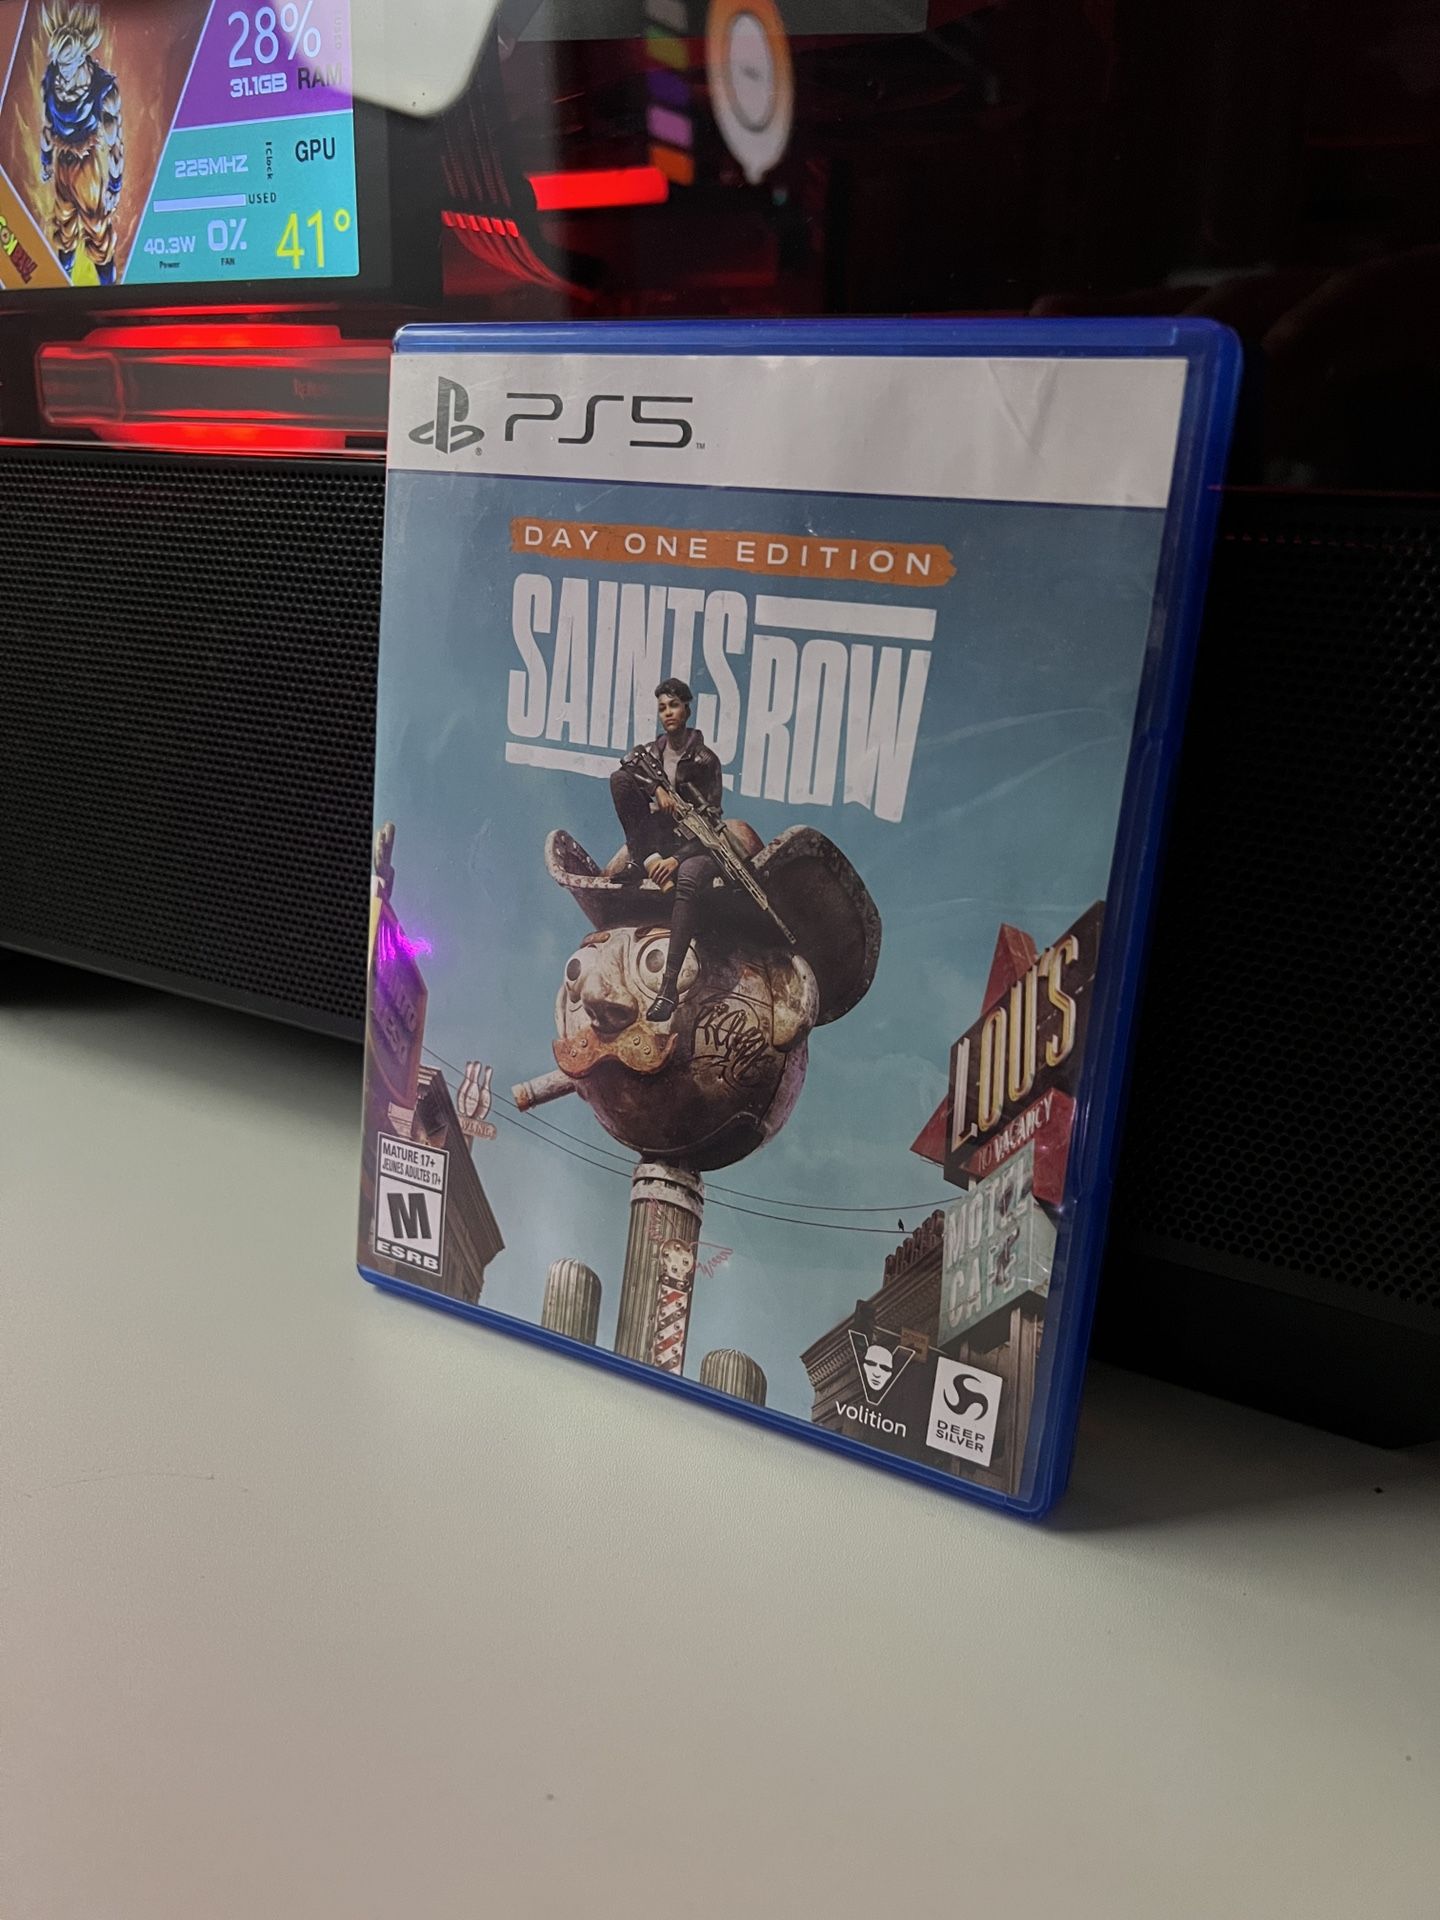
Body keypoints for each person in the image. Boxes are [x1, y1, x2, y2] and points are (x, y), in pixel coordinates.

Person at [609, 679, 725, 1024]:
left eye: (673, 705)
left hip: (695, 845)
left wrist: (677, 859)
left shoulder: (705, 760)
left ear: (687, 709)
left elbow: (711, 821)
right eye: (662, 708)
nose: (668, 713)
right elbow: (627, 767)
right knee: (619, 780)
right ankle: (645, 860)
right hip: (658, 842)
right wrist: (657, 788)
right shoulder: (651, 752)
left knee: (687, 879)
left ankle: (669, 987)